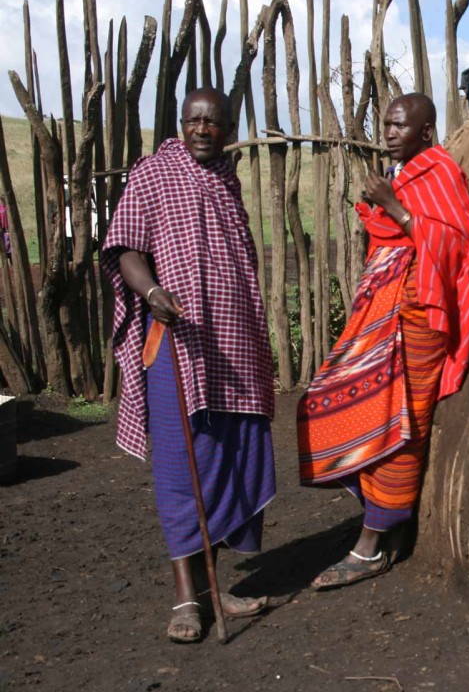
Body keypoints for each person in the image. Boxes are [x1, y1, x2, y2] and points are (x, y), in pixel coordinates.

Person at [102, 87, 276, 642]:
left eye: (214, 122)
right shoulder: (152, 174)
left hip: (234, 346)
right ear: (181, 124)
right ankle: (185, 599)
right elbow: (124, 248)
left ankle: (211, 584)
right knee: (182, 465)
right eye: (193, 120)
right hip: (176, 343)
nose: (202, 129)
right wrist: (151, 291)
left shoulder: (228, 182)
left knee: (228, 458)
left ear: (228, 129)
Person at [298, 93, 469, 589]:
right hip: (383, 316)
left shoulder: (440, 173)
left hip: (418, 322)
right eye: (387, 124)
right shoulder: (401, 175)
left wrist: (395, 209)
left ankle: (371, 546)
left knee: (398, 424)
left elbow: (453, 243)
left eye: (400, 126)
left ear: (426, 132)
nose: (390, 133)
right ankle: (389, 526)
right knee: (328, 403)